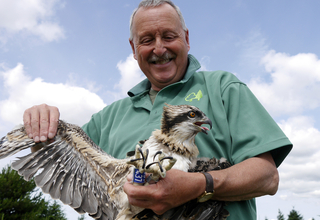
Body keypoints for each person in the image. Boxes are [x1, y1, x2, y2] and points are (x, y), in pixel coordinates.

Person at [23, 0, 292, 219]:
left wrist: (200, 185)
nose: (159, 48)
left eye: (169, 36)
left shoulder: (223, 88)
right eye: (147, 39)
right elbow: (57, 157)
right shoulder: (108, 118)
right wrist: (44, 122)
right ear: (133, 48)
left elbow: (267, 178)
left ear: (186, 38)